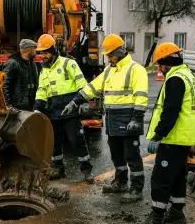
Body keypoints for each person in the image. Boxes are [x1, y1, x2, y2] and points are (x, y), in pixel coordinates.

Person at [62, 34, 148, 203]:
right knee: (117, 155)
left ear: (120, 51)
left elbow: (141, 96)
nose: (109, 58)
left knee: (132, 156)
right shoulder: (109, 70)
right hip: (113, 120)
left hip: (129, 119)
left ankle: (136, 189)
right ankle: (121, 182)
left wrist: (137, 118)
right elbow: (92, 88)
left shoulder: (135, 69)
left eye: (110, 54)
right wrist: (75, 102)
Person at [145, 42, 195, 224]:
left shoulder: (175, 79)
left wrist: (158, 135)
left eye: (161, 63)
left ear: (168, 61)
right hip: (184, 138)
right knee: (178, 177)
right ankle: (176, 214)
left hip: (173, 138)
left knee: (161, 178)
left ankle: (157, 216)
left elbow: (170, 111)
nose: (160, 68)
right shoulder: (188, 75)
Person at [33, 34, 94, 184]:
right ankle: (58, 169)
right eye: (41, 53)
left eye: (46, 52)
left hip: (70, 111)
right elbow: (42, 91)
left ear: (53, 50)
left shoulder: (68, 64)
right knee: (55, 143)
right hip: (53, 112)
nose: (43, 56)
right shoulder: (43, 71)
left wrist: (82, 102)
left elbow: (82, 84)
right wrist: (37, 108)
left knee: (76, 141)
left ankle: (86, 171)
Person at [0, 39, 39, 111]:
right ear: (29, 49)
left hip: (30, 106)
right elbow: (4, 85)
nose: (36, 51)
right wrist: (8, 105)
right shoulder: (13, 63)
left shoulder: (32, 63)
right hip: (17, 107)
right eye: (34, 49)